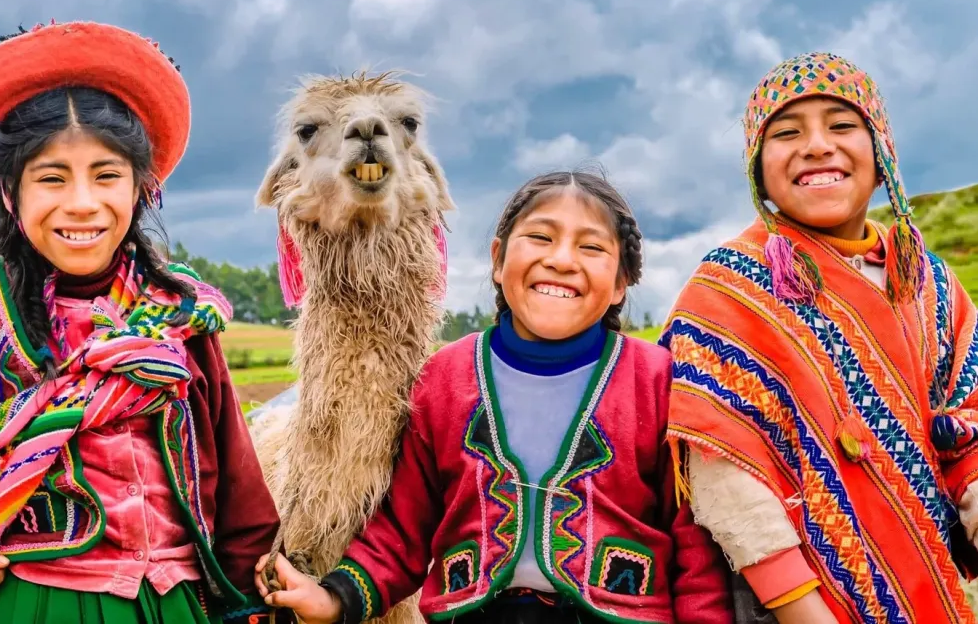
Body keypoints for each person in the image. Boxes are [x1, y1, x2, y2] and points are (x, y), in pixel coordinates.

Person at [0, 20, 280, 623]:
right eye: (51, 178)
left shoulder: (180, 317)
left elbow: (236, 488)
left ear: (141, 190)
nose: (82, 203)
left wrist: (248, 604)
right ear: (9, 195)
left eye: (106, 175)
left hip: (175, 604)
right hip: (27, 603)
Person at [254, 169, 734, 623]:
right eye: (541, 238)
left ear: (620, 286)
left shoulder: (656, 382)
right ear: (498, 259)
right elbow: (403, 530)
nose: (562, 259)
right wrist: (334, 596)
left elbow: (693, 544)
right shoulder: (446, 379)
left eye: (591, 247)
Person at [661, 52, 978, 624]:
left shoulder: (928, 284)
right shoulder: (726, 293)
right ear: (760, 169)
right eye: (786, 133)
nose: (816, 146)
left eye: (841, 125)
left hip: (929, 580)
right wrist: (802, 610)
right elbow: (724, 472)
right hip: (786, 604)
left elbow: (967, 416)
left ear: (881, 153)